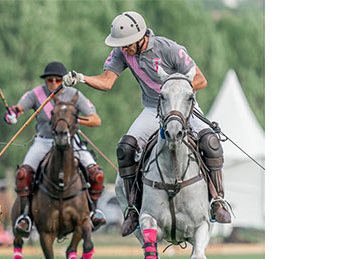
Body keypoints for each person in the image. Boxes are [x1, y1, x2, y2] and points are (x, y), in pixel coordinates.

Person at [62, 11, 231, 237]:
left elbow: (200, 80)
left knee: (211, 143)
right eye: (120, 45)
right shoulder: (122, 53)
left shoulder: (169, 49)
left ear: (141, 37)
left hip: (182, 107)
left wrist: (173, 91)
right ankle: (133, 209)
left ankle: (217, 201)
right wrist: (81, 78)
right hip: (153, 109)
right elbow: (106, 81)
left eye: (127, 44)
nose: (124, 49)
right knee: (125, 148)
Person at [5, 61, 106, 235]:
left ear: (63, 80)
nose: (53, 84)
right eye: (49, 80)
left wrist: (72, 120)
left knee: (96, 174)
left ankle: (93, 212)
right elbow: (20, 107)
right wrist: (12, 113)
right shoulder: (36, 94)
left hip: (70, 140)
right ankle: (25, 216)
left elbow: (96, 120)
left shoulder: (74, 93)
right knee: (23, 174)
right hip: (44, 141)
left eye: (58, 80)